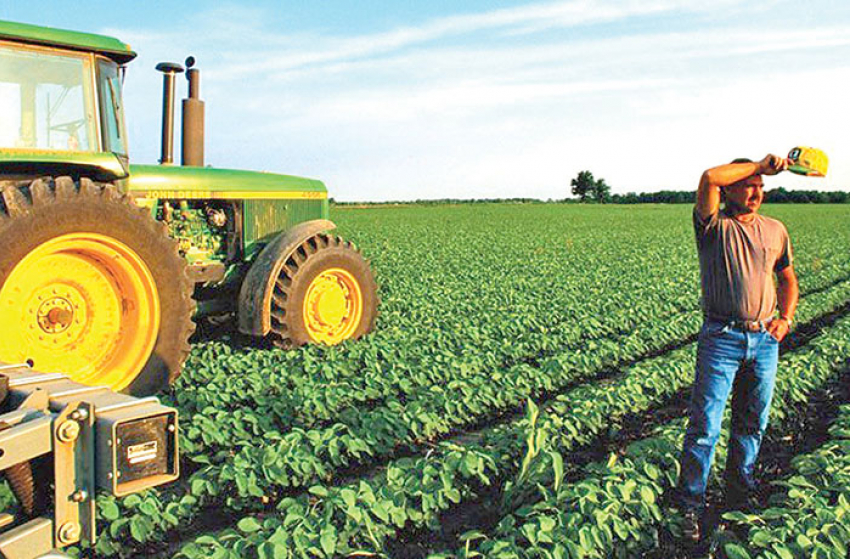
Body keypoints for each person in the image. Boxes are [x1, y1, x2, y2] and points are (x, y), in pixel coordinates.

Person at [676, 154, 799, 542]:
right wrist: (760, 165)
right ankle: (689, 506)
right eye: (748, 184)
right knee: (705, 427)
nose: (756, 192)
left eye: (760, 187)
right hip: (722, 337)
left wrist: (786, 317)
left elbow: (788, 279)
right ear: (730, 190)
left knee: (752, 424)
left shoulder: (775, 230)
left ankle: (738, 497)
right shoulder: (713, 227)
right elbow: (709, 177)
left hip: (764, 340)